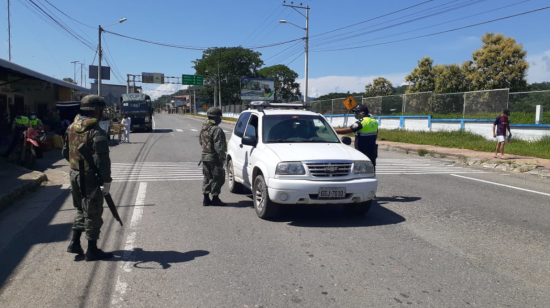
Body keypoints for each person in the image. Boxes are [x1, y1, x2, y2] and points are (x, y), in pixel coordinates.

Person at [62, 95, 114, 261]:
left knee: (80, 208)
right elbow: (102, 160)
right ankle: (92, 249)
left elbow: (65, 152)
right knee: (93, 210)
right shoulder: (95, 131)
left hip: (74, 173)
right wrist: (106, 180)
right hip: (89, 176)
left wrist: (77, 165)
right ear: (96, 111)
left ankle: (75, 242)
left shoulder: (71, 127)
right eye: (102, 110)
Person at [334, 104, 379, 169]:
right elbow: (376, 134)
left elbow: (348, 130)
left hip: (362, 151)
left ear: (362, 113)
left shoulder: (362, 122)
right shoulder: (374, 121)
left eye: (357, 112)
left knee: (360, 170)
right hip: (372, 151)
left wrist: (332, 130)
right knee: (371, 169)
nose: (355, 114)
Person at [199, 107, 227, 206]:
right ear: (217, 117)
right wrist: (223, 158)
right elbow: (220, 147)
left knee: (207, 177)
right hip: (214, 158)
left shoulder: (204, 127)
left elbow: (200, 141)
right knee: (217, 177)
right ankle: (215, 198)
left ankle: (206, 198)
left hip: (204, 156)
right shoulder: (217, 129)